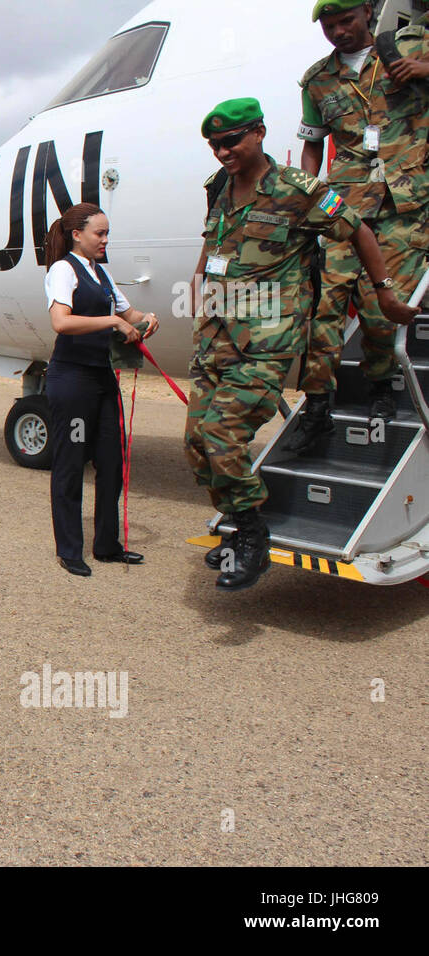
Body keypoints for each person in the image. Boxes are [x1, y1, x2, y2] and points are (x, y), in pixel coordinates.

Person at [187, 98, 415, 591]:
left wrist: (385, 293)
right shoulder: (219, 186)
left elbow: (359, 233)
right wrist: (197, 282)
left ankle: (251, 536)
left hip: (267, 338)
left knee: (223, 439)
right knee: (196, 447)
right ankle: (237, 521)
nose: (222, 151)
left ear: (259, 134)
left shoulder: (299, 191)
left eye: (231, 141)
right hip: (214, 335)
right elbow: (215, 241)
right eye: (214, 144)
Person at [287, 0, 429, 452]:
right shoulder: (317, 80)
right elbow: (312, 144)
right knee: (324, 304)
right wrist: (310, 192)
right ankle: (316, 405)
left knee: (380, 303)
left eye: (345, 21)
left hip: (404, 201)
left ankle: (381, 387)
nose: (338, 32)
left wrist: (421, 69)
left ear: (368, 11)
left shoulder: (413, 44)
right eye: (329, 26)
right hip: (343, 204)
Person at [43, 203, 158, 577]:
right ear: (77, 235)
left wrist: (146, 319)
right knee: (71, 463)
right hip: (72, 380)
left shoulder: (101, 274)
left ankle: (107, 544)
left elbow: (128, 314)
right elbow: (61, 322)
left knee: (112, 462)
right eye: (100, 233)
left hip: (101, 379)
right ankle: (70, 550)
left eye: (107, 233)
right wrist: (112, 321)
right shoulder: (63, 270)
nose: (106, 240)